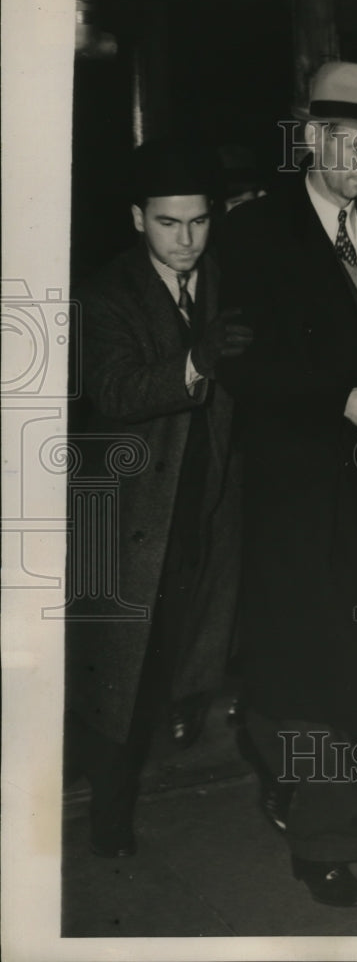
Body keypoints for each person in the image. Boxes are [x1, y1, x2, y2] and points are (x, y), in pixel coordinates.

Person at [219, 62, 357, 907]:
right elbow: (239, 362)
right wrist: (340, 399)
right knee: (313, 668)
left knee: (329, 665)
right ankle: (328, 848)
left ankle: (268, 741)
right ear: (311, 137)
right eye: (355, 144)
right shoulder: (252, 235)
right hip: (288, 489)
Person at [65, 138, 254, 857]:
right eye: (170, 224)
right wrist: (196, 359)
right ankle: (110, 815)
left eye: (200, 223)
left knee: (199, 632)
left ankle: (187, 704)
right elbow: (114, 390)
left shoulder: (225, 278)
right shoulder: (106, 294)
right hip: (135, 518)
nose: (186, 240)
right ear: (138, 218)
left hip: (211, 497)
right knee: (122, 672)